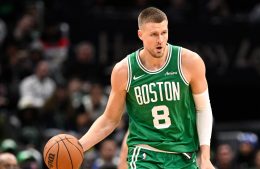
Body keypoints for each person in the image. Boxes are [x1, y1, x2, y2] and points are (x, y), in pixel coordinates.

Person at [79, 7, 214, 168]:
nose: (160, 40)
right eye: (154, 34)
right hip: (144, 154)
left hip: (183, 154)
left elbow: (203, 109)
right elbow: (110, 119)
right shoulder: (124, 70)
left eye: (164, 33)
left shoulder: (189, 61)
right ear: (140, 35)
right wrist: (79, 147)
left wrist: (205, 157)